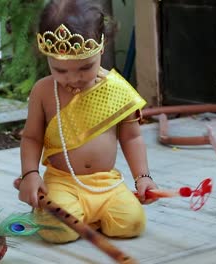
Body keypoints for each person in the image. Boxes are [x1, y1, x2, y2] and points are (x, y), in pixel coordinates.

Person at [13, 0, 158, 244]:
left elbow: (132, 137)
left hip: (106, 184)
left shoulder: (117, 90)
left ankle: (86, 215)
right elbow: (32, 137)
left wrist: (142, 176)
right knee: (57, 230)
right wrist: (30, 174)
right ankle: (67, 213)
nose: (74, 78)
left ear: (101, 49)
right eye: (60, 70)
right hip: (62, 182)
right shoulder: (44, 91)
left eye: (85, 67)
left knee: (132, 223)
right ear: (47, 57)